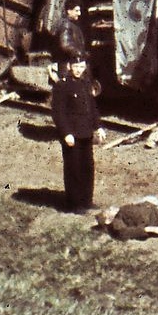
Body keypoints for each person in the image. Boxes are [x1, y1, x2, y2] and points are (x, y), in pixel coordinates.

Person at [51, 56, 105, 213]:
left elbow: (92, 109)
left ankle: (87, 200)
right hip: (72, 135)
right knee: (73, 169)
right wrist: (66, 132)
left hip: (86, 133)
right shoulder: (62, 86)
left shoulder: (86, 84)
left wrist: (98, 126)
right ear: (69, 66)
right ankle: (74, 203)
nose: (79, 70)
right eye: (76, 66)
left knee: (87, 167)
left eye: (81, 67)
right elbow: (58, 113)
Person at [54, 0, 89, 76]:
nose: (79, 13)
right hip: (67, 67)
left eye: (79, 11)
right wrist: (79, 53)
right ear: (69, 11)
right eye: (76, 11)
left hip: (73, 65)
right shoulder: (66, 24)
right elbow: (65, 44)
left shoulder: (74, 25)